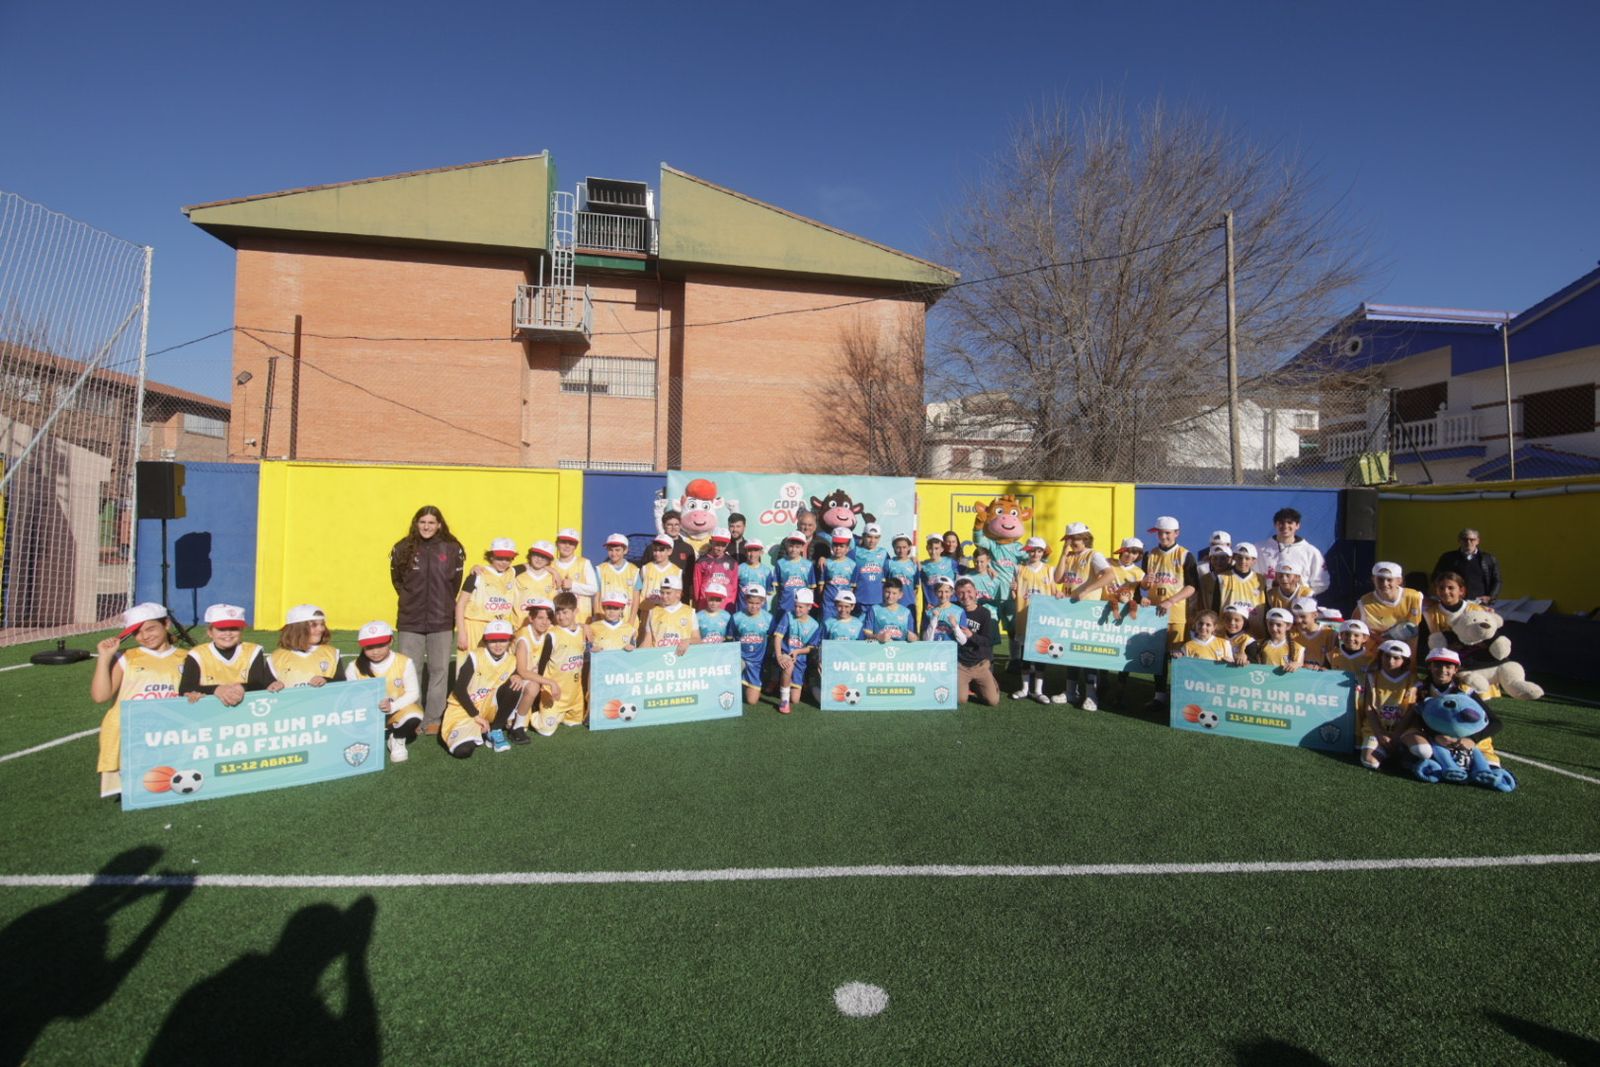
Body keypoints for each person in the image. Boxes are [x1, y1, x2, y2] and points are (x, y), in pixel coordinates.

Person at [92, 603, 183, 798]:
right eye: (138, 632)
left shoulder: (186, 657)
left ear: (166, 624)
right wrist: (104, 658)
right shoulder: (125, 657)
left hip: (168, 735)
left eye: (151, 628)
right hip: (128, 733)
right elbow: (101, 696)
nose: (145, 636)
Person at [390, 505, 464, 736]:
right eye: (422, 522)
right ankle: (412, 714)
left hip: (441, 619)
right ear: (416, 523)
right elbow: (397, 582)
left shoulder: (453, 548)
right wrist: (413, 600)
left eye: (431, 523)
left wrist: (442, 604)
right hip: (410, 619)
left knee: (439, 669)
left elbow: (455, 583)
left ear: (439, 524)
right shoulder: (402, 548)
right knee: (410, 670)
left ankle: (433, 718)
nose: (427, 527)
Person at [441, 620, 524, 756]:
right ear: (486, 641)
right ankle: (478, 730)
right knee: (463, 751)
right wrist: (476, 716)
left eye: (503, 640)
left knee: (515, 686)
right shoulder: (475, 656)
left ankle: (495, 729)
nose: (498, 645)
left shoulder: (512, 660)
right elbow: (459, 689)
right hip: (463, 709)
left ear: (510, 641)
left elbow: (514, 681)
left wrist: (517, 676)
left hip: (488, 706)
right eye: (493, 641)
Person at [1141, 516, 1201, 702]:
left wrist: (1170, 601)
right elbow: (1143, 586)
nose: (1163, 536)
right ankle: (1159, 695)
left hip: (1176, 614)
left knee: (1176, 656)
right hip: (1154, 614)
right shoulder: (1149, 554)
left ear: (1177, 533)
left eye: (1167, 533)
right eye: (1160, 533)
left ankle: (1178, 696)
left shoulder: (1185, 555)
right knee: (1156, 656)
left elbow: (1192, 587)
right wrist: (1145, 583)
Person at [346, 621, 421, 763]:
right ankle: (371, 733)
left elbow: (413, 692)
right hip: (367, 713)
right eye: (369, 647)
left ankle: (397, 738)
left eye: (381, 645)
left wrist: (392, 706)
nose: (375, 651)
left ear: (391, 641)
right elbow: (350, 697)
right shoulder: (353, 667)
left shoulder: (404, 662)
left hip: (395, 711)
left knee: (414, 714)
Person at [180, 603, 270, 704]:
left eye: (234, 628)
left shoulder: (253, 651)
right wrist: (216, 690)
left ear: (241, 630)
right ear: (210, 632)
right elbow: (185, 689)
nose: (228, 633)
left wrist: (242, 687)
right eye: (221, 629)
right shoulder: (197, 654)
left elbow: (259, 684)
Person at [1357, 639, 1420, 770]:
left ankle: (1396, 751)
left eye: (1396, 658)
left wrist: (1396, 734)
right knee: (1370, 762)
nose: (1390, 661)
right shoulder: (1372, 677)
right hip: (1376, 728)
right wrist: (1379, 734)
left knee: (1419, 751)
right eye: (1386, 656)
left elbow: (1411, 710)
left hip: (1401, 729)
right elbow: (1369, 708)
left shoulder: (1413, 679)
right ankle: (1389, 751)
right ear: (1380, 656)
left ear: (1405, 661)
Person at [1013, 536, 1061, 705]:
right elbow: (1014, 593)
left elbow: (1056, 592)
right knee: (1025, 654)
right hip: (1024, 617)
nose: (1035, 553)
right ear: (1027, 551)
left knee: (1041, 653)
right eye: (1032, 550)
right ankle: (1025, 689)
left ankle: (1038, 690)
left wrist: (1059, 594)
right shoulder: (1019, 569)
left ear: (1043, 552)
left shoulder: (1049, 569)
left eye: (1038, 550)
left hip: (1042, 619)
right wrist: (1013, 591)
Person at [456, 538, 520, 657]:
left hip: (499, 628)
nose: (504, 562)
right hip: (475, 627)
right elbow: (460, 604)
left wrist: (552, 570)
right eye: (499, 558)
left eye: (508, 559)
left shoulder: (512, 572)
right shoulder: (477, 575)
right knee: (471, 667)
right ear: (491, 556)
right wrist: (461, 633)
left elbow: (532, 565)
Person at [535, 592, 590, 730]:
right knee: (546, 730)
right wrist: (542, 684)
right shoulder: (552, 635)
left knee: (575, 724)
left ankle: (564, 714)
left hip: (575, 695)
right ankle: (532, 713)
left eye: (565, 612)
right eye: (558, 613)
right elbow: (543, 662)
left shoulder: (583, 632)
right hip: (554, 693)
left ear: (575, 611)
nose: (561, 617)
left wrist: (585, 626)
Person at [1255, 507, 1330, 595]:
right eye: (1281, 523)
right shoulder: (1259, 548)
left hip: (1300, 603)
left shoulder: (1310, 551)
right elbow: (1252, 577)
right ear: (1275, 525)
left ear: (1297, 525)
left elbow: (1322, 582)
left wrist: (1305, 595)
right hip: (1268, 601)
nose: (1285, 526)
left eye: (1290, 522)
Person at [952, 577, 1001, 706]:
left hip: (980, 664)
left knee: (992, 701)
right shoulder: (954, 609)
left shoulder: (984, 613)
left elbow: (988, 640)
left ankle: (984, 682)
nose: (965, 596)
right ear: (956, 595)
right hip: (960, 665)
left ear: (976, 593)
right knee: (960, 700)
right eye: (961, 593)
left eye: (969, 591)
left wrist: (971, 635)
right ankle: (968, 683)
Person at [267, 605, 341, 689]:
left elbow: (342, 685)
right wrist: (274, 685)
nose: (321, 629)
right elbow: (263, 689)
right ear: (297, 629)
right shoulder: (275, 658)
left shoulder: (332, 654)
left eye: (322, 624)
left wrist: (326, 680)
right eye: (314, 625)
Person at [772, 588, 821, 713]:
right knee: (788, 665)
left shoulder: (814, 625)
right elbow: (778, 637)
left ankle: (786, 680)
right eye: (796, 606)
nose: (797, 609)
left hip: (800, 659)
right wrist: (779, 656)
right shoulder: (788, 616)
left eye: (801, 607)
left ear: (809, 607)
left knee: (795, 699)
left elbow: (811, 647)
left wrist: (798, 652)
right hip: (785, 654)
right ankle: (784, 701)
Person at [1356, 561, 1424, 650]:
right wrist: (1382, 640)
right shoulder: (1364, 602)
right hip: (1375, 653)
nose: (1384, 583)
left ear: (1399, 580)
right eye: (1380, 579)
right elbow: (1355, 626)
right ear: (1373, 579)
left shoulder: (1414, 596)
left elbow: (1435, 607)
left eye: (1389, 579)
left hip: (1406, 654)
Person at [730, 585, 775, 706]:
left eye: (757, 603)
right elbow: (730, 640)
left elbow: (773, 640)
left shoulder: (769, 619)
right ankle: (737, 680)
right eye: (750, 602)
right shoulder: (736, 617)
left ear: (763, 601)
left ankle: (746, 683)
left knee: (751, 701)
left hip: (757, 663)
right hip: (740, 659)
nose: (754, 606)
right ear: (745, 600)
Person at [1431, 528, 1501, 604]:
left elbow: (1497, 580)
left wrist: (1491, 597)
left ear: (1478, 541)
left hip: (1479, 602)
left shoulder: (1488, 559)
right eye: (1465, 539)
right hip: (1455, 602)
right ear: (1459, 540)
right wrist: (1443, 594)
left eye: (1472, 540)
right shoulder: (1448, 558)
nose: (1468, 542)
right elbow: (1437, 577)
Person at [550, 529, 600, 623]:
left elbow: (594, 589)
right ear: (557, 543)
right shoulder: (551, 565)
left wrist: (573, 586)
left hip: (581, 619)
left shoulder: (584, 563)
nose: (567, 546)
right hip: (558, 621)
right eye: (563, 542)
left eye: (571, 543)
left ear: (576, 546)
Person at [1207, 543, 1265, 622]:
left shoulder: (1260, 580)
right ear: (1234, 557)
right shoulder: (1222, 578)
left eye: (1247, 558)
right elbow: (1215, 606)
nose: (1243, 561)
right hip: (1228, 627)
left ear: (1254, 561)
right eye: (1240, 557)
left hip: (1255, 629)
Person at [641, 574, 698, 650]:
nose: (664, 596)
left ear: (678, 593)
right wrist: (632, 654)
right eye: (662, 592)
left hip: (682, 659)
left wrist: (688, 641)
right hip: (659, 658)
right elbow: (647, 642)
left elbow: (697, 639)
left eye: (668, 593)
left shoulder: (690, 612)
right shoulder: (653, 612)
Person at [595, 534, 640, 626]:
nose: (613, 553)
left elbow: (636, 598)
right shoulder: (600, 569)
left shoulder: (634, 570)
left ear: (625, 550)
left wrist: (631, 620)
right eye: (610, 550)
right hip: (605, 620)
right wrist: (598, 618)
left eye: (617, 550)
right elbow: (596, 597)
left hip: (627, 620)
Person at [816, 529, 858, 620]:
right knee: (827, 626)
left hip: (844, 604)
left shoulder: (853, 564)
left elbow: (852, 587)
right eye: (835, 545)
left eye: (841, 546)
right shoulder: (826, 563)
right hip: (829, 603)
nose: (838, 548)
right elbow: (821, 586)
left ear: (847, 548)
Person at [693, 529, 739, 611]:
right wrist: (698, 605)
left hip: (725, 607)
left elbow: (734, 587)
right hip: (705, 606)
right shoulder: (701, 562)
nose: (720, 548)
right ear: (711, 542)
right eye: (717, 544)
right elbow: (697, 587)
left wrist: (731, 605)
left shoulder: (733, 563)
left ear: (727, 544)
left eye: (723, 545)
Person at [918, 535, 957, 630]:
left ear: (942, 549)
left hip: (950, 606)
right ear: (927, 548)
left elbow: (966, 573)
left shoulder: (951, 562)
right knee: (929, 638)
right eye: (931, 548)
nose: (933, 551)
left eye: (936, 548)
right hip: (931, 608)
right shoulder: (923, 566)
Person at [774, 532, 816, 617]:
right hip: (785, 604)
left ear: (802, 548)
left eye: (797, 547)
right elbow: (777, 587)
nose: (793, 550)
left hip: (802, 606)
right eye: (791, 546)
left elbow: (811, 588)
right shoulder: (780, 563)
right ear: (787, 546)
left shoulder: (808, 564)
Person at [851, 524, 890, 616]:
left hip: (878, 599)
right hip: (859, 599)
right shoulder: (855, 551)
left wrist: (912, 558)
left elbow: (895, 565)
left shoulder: (883, 553)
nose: (872, 541)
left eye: (876, 538)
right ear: (863, 536)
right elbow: (841, 561)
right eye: (869, 537)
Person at [863, 577, 917, 642]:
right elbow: (867, 633)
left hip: (901, 650)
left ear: (900, 595)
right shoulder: (874, 609)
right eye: (887, 592)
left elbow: (913, 636)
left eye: (894, 593)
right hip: (879, 649)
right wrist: (878, 637)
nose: (890, 596)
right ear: (883, 591)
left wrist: (913, 638)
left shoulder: (906, 613)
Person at [1289, 596, 1336, 669]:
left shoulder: (1330, 634)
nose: (1298, 620)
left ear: (1315, 615)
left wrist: (1322, 668)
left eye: (1302, 616)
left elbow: (1333, 663)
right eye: (1295, 616)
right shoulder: (1291, 631)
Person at [660, 509, 699, 579]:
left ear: (680, 526)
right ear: (663, 526)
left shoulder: (687, 548)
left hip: (681, 588)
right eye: (669, 525)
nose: (673, 528)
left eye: (676, 525)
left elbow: (691, 573)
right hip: (658, 587)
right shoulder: (654, 548)